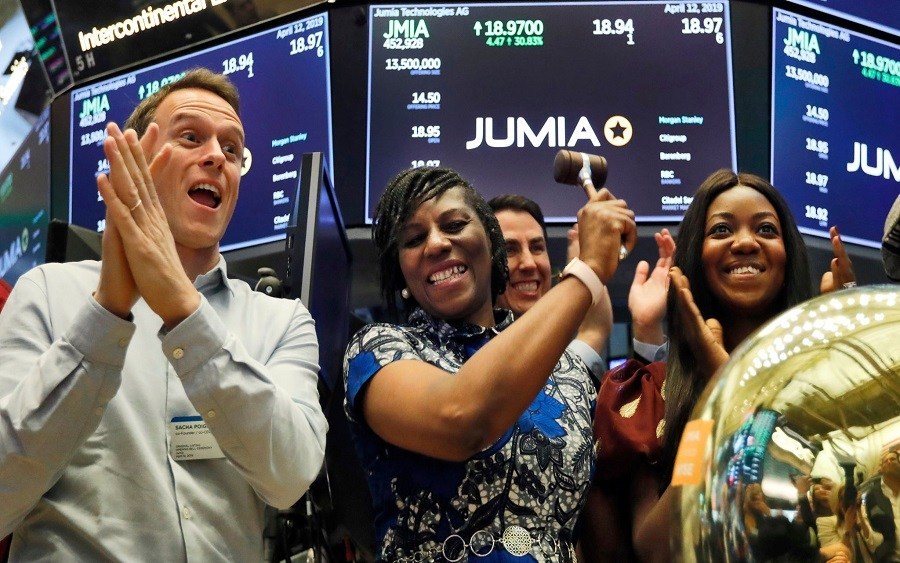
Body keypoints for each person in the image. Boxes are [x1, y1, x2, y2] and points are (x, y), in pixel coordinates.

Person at [0, 68, 327, 560]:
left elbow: (291, 477)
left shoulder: (282, 321)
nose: (217, 157)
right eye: (191, 137)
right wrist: (106, 314)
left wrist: (183, 309)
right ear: (139, 159)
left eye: (232, 149)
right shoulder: (47, 293)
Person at [343, 166, 635, 561]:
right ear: (402, 272)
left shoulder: (568, 372)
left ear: (490, 243)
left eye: (454, 225)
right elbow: (460, 418)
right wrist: (587, 270)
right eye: (413, 239)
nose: (436, 244)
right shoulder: (379, 349)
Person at [587, 169, 857, 562]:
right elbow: (657, 547)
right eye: (721, 230)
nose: (745, 243)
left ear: (789, 256)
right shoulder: (654, 391)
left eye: (766, 229)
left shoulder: (824, 382)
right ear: (696, 255)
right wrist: (724, 398)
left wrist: (852, 331)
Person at [487, 194, 675, 379]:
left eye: (537, 247)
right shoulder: (472, 363)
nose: (529, 263)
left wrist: (647, 327)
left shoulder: (566, 368)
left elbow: (595, 329)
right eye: (509, 250)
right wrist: (585, 274)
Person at [862, 446, 900, 562]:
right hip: (891, 557)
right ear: (881, 469)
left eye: (892, 459)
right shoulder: (872, 495)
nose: (889, 462)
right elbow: (873, 527)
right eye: (885, 461)